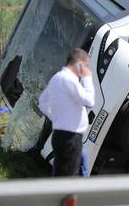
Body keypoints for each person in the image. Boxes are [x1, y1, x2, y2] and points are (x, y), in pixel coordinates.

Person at [38, 48, 95, 176]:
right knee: (65, 177)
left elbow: (42, 103)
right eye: (86, 66)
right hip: (70, 138)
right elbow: (89, 101)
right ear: (79, 64)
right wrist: (87, 78)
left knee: (77, 163)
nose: (87, 70)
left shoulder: (56, 78)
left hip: (61, 135)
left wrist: (57, 119)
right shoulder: (69, 80)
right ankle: (63, 195)